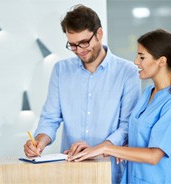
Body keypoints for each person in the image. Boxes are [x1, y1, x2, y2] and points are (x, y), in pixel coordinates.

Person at [24, 4, 141, 183]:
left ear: (99, 34)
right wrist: (40, 141)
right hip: (69, 171)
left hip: (110, 171)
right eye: (73, 45)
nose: (79, 50)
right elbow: (50, 118)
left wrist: (98, 148)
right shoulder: (61, 70)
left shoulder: (128, 72)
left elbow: (127, 126)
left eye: (84, 42)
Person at [68, 29, 171, 183]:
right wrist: (95, 149)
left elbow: (155, 155)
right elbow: (139, 138)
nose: (136, 61)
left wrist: (106, 148)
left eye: (142, 57)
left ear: (161, 61)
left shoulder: (168, 102)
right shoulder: (148, 92)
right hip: (132, 177)